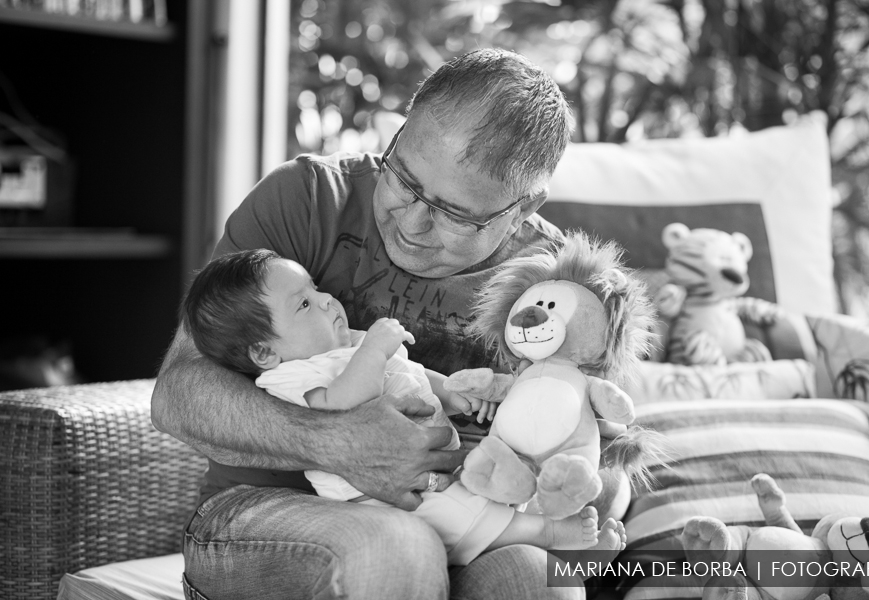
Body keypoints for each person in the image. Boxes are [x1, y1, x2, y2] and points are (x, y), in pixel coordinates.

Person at [153, 48, 597, 599]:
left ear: (522, 208)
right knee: (397, 545)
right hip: (259, 516)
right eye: (403, 179)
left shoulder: (554, 292)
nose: (411, 223)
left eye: (454, 214)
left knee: (540, 582)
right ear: (400, 131)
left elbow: (580, 447)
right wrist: (337, 442)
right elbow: (177, 395)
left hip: (466, 522)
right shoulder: (308, 198)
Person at [181, 248, 630, 566]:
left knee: (488, 496)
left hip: (437, 469)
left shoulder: (348, 342)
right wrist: (373, 351)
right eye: (303, 304)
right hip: (377, 499)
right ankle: (551, 538)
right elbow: (338, 405)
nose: (325, 300)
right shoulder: (289, 376)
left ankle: (571, 553)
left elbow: (411, 373)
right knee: (460, 520)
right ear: (264, 353)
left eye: (315, 288)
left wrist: (453, 395)